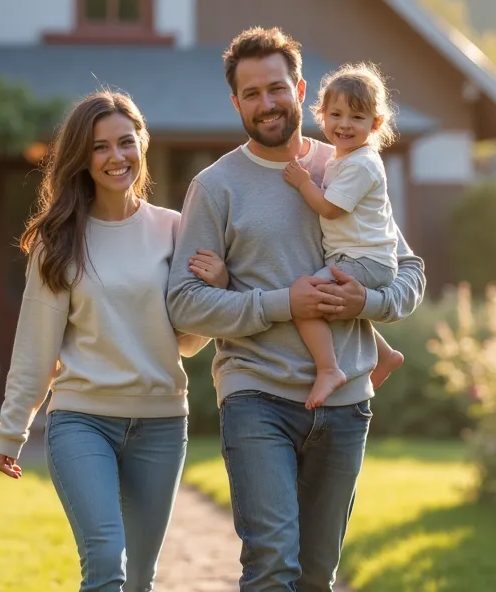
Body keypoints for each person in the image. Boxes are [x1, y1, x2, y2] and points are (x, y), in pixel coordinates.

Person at [167, 26, 426, 592]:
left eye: (276, 88)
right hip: (255, 395)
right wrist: (282, 304)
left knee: (315, 577)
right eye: (252, 93)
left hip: (345, 404)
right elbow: (185, 304)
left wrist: (369, 301)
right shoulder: (215, 187)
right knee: (271, 568)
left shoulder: (349, 167)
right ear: (236, 102)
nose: (267, 103)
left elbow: (409, 270)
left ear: (300, 88)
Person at [0, 90, 213, 592]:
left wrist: (213, 288)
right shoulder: (59, 240)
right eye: (99, 148)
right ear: (81, 159)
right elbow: (36, 344)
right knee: (107, 558)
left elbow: (187, 339)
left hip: (161, 422)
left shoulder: (174, 229)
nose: (116, 157)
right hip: (82, 421)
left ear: (143, 144)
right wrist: (12, 427)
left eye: (125, 143)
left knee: (138, 579)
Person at [192, 62, 406, 409]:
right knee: (323, 297)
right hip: (253, 385)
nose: (345, 125)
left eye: (357, 118)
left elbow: (332, 210)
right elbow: (186, 305)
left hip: (361, 260)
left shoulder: (357, 164)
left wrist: (304, 182)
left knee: (306, 301)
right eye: (336, 115)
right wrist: (227, 282)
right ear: (321, 114)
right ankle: (385, 355)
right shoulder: (341, 160)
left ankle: (329, 369)